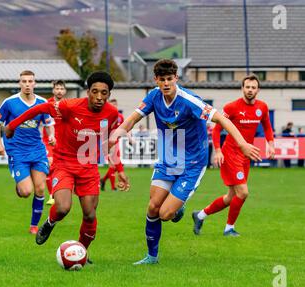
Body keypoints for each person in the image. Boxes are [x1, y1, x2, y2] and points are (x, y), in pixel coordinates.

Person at [109, 59, 261, 265]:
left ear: (176, 78)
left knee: (165, 213)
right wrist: (118, 132)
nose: (166, 83)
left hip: (192, 164)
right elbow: (134, 118)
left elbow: (222, 120)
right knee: (153, 207)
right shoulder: (153, 96)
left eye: (169, 79)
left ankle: (178, 209)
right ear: (156, 80)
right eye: (161, 79)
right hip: (168, 160)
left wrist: (242, 144)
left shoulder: (190, 101)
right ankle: (151, 257)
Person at [4, 71, 130, 262]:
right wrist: (12, 125)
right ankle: (50, 222)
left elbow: (107, 144)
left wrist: (119, 171)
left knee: (89, 214)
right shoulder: (69, 106)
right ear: (87, 92)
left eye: (104, 93)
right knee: (63, 208)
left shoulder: (111, 114)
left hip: (88, 168)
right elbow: (40, 109)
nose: (99, 97)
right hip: (64, 163)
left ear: (109, 95)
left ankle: (82, 253)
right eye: (94, 91)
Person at [192, 74, 275, 237]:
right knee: (243, 193)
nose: (250, 90)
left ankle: (200, 215)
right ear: (242, 88)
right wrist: (217, 150)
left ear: (258, 90)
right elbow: (217, 129)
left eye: (253, 87)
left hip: (245, 156)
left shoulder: (262, 107)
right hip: (230, 154)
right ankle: (229, 228)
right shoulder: (232, 107)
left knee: (231, 196)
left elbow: (267, 126)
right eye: (247, 87)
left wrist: (270, 144)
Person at [0, 70, 55, 234]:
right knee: (26, 192)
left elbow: (48, 124)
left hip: (37, 150)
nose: (27, 84)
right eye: (24, 81)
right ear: (19, 83)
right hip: (17, 151)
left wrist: (52, 136)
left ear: (35, 83)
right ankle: (20, 186)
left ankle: (34, 226)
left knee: (40, 189)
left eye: (30, 81)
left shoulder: (42, 103)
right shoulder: (10, 102)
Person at [42, 80, 67, 205]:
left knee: (62, 168)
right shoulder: (47, 103)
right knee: (50, 165)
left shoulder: (68, 104)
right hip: (48, 141)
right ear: (53, 90)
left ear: (65, 91)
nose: (59, 91)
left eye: (62, 89)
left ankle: (60, 192)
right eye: (57, 88)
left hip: (64, 142)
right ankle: (51, 195)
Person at [100, 98, 126, 191]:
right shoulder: (104, 117)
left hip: (116, 142)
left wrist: (129, 137)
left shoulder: (120, 116)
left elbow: (125, 127)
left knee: (113, 166)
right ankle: (113, 186)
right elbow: (102, 131)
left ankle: (103, 180)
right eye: (111, 105)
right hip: (108, 143)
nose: (113, 107)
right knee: (116, 164)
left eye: (115, 105)